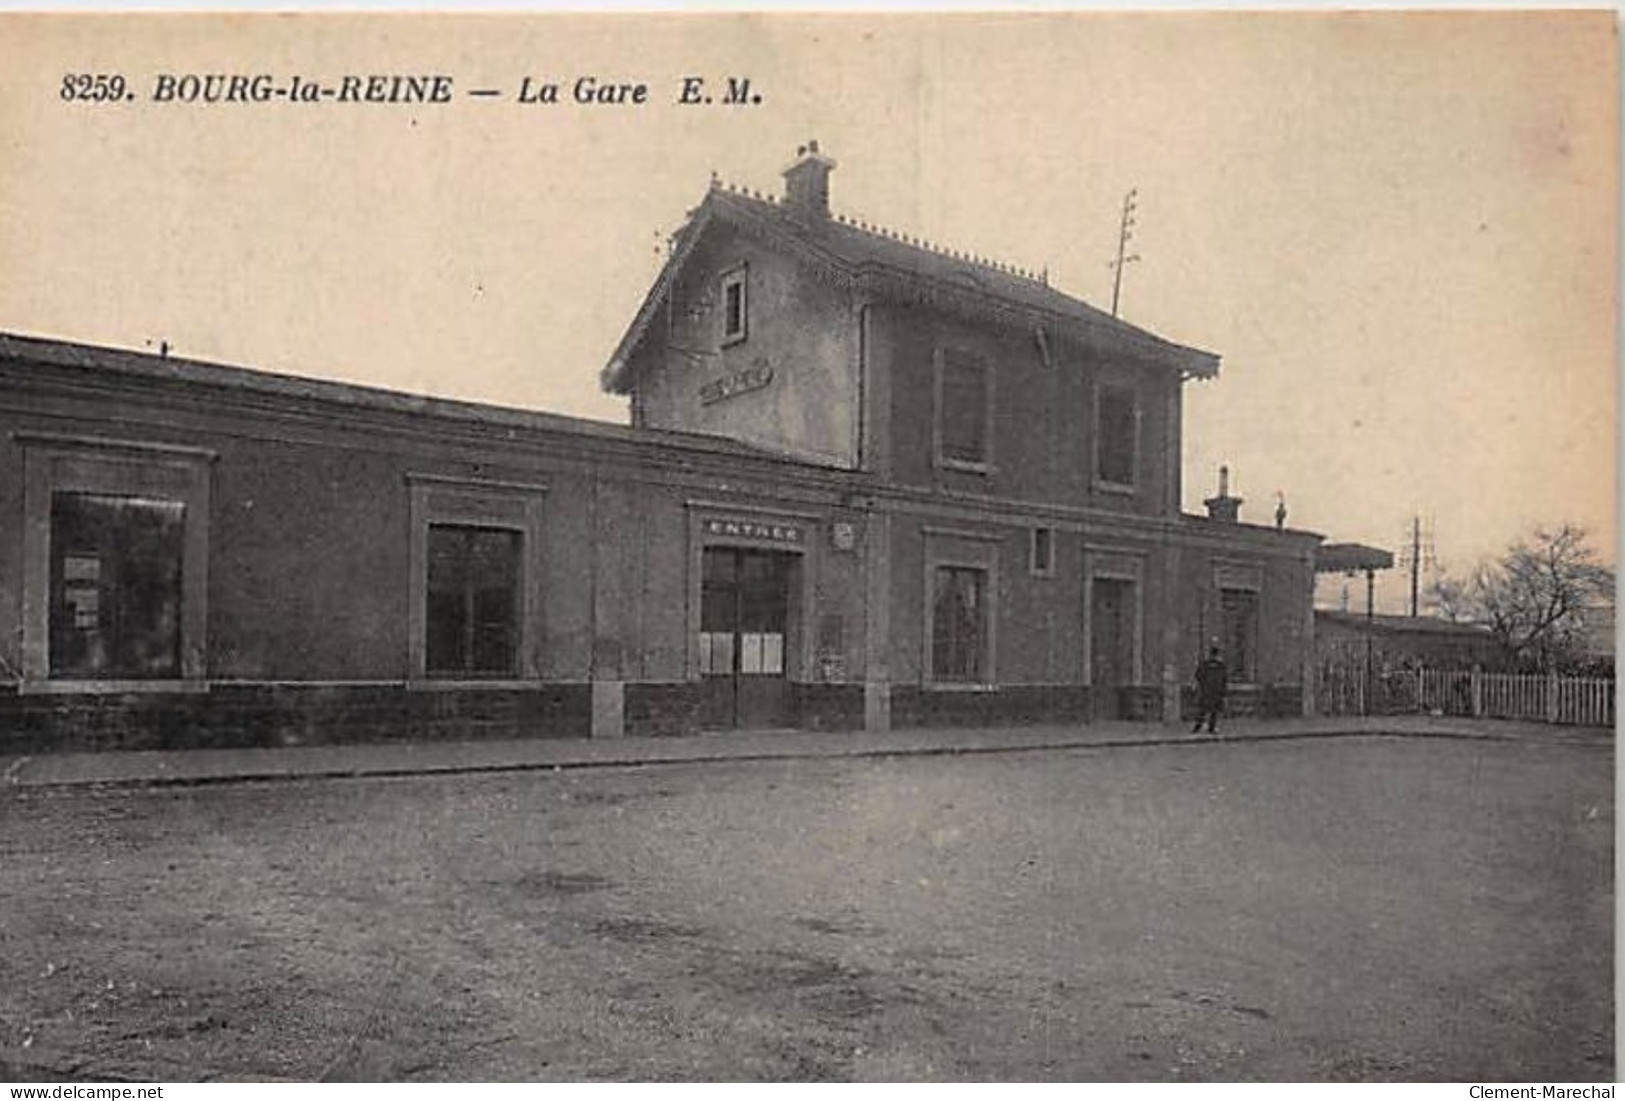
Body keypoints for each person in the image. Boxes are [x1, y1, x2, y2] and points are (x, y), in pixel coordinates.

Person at [1193, 645, 1228, 734]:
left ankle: (1198, 726)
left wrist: (1201, 686)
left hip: (1206, 691)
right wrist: (1224, 694)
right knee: (1214, 711)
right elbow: (1224, 680)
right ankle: (1211, 727)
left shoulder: (1204, 665)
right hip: (1216, 692)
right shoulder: (1221, 666)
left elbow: (1198, 676)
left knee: (1202, 710)